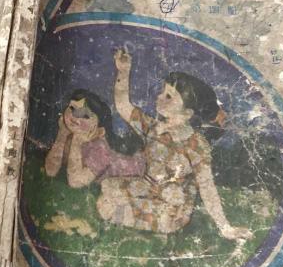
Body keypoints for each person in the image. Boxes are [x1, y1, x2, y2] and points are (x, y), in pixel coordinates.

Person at [105, 48, 252, 240]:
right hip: (147, 188)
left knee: (123, 210)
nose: (159, 97)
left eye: (168, 96)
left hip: (172, 204)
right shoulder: (152, 127)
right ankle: (136, 221)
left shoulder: (195, 144)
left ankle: (146, 227)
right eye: (162, 92)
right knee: (107, 192)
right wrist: (124, 72)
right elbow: (123, 106)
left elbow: (207, 188)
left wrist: (226, 228)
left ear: (188, 113)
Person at [44, 89, 145, 190]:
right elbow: (50, 171)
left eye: (84, 115)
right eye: (72, 108)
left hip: (136, 176)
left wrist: (76, 142)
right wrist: (62, 134)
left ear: (98, 127)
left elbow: (75, 182)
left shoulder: (100, 149)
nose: (74, 116)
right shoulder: (70, 134)